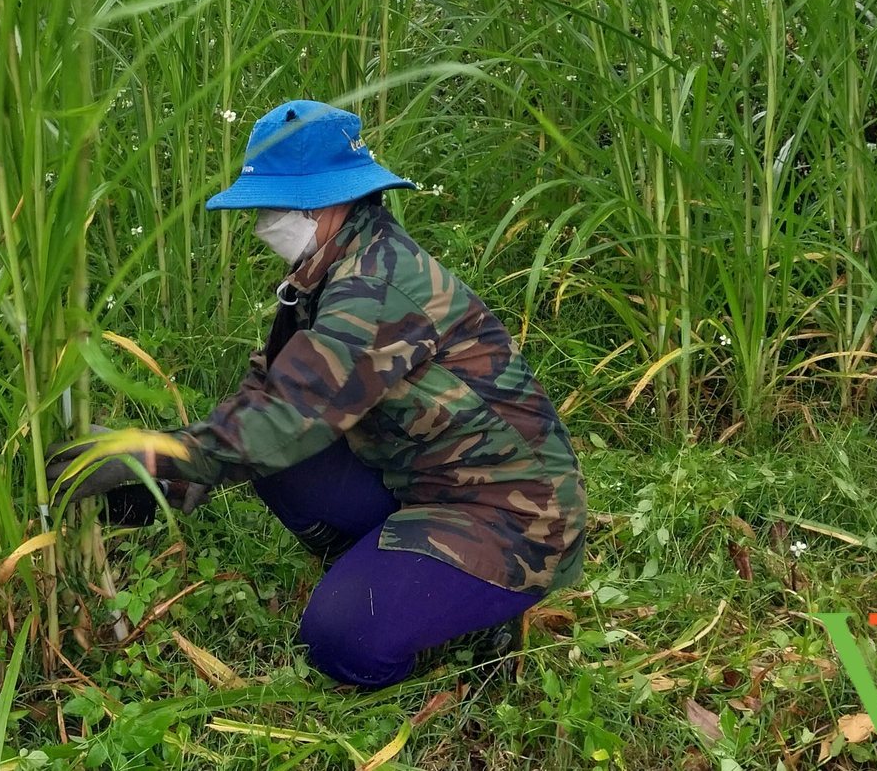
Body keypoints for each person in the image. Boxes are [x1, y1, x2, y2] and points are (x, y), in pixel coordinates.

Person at [50, 100, 586, 688]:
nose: (265, 222)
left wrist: (149, 453)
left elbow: (288, 417)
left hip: (512, 516)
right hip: (425, 483)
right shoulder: (326, 270)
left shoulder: (375, 287)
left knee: (342, 639)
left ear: (329, 200)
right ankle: (396, 574)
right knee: (278, 465)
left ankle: (468, 615)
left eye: (279, 206)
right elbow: (272, 390)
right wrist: (176, 479)